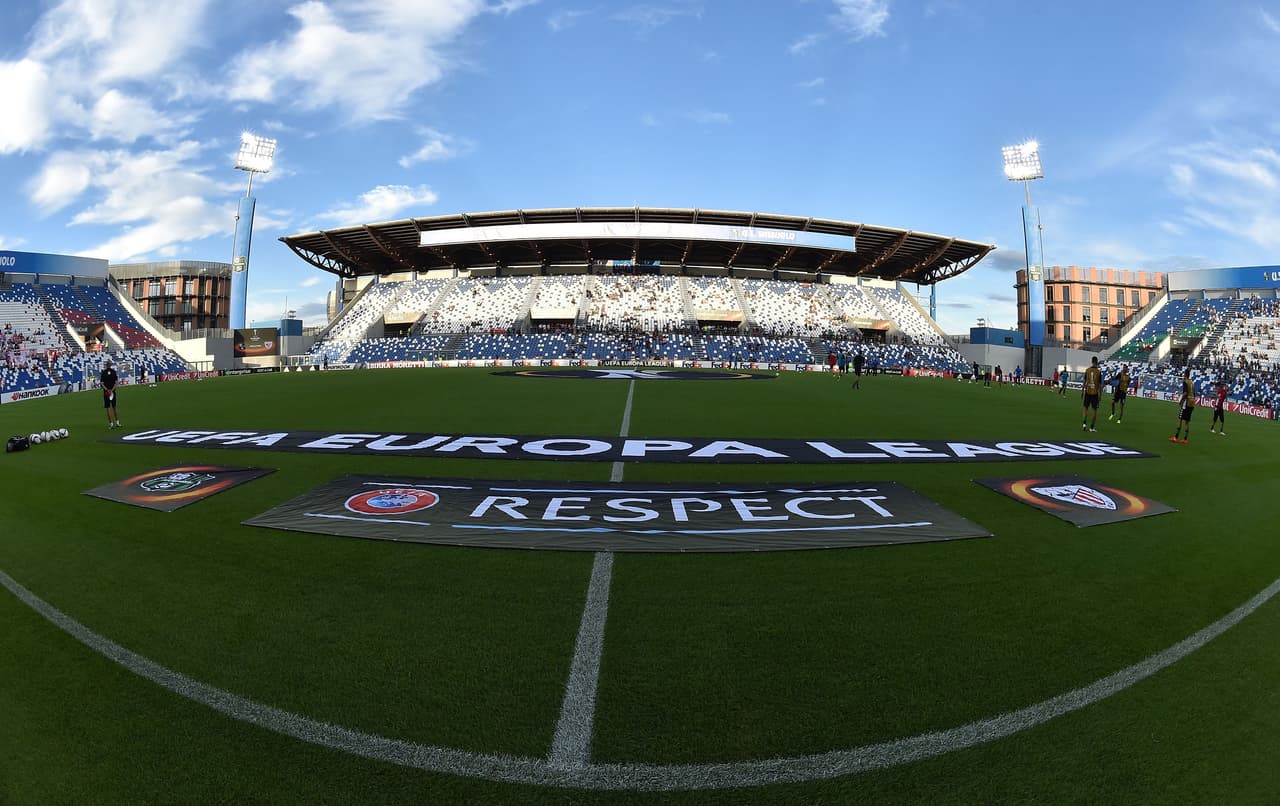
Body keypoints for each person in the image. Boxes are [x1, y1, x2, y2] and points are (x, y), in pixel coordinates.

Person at [1170, 367, 1195, 444]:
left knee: (1180, 419)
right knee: (1187, 421)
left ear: (1185, 374)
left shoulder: (1185, 382)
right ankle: (1185, 439)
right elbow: (1194, 393)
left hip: (1186, 403)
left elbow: (1185, 393)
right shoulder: (1191, 382)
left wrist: (1181, 401)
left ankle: (1176, 437)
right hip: (1192, 403)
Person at [1080, 356, 1102, 431]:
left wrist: (1082, 391)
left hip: (1087, 392)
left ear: (1092, 361)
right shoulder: (1098, 372)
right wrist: (1100, 395)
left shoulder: (1087, 370)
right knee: (1094, 412)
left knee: (1085, 409)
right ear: (1097, 362)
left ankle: (1084, 424)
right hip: (1095, 394)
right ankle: (1091, 427)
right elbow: (1100, 385)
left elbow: (1084, 382)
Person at [101, 358, 121, 429]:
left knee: (108, 408)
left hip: (106, 392)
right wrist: (112, 390)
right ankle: (117, 422)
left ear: (106, 365)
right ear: (111, 365)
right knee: (114, 407)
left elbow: (102, 383)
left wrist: (107, 390)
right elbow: (116, 382)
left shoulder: (103, 372)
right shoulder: (113, 372)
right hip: (112, 392)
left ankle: (111, 423)